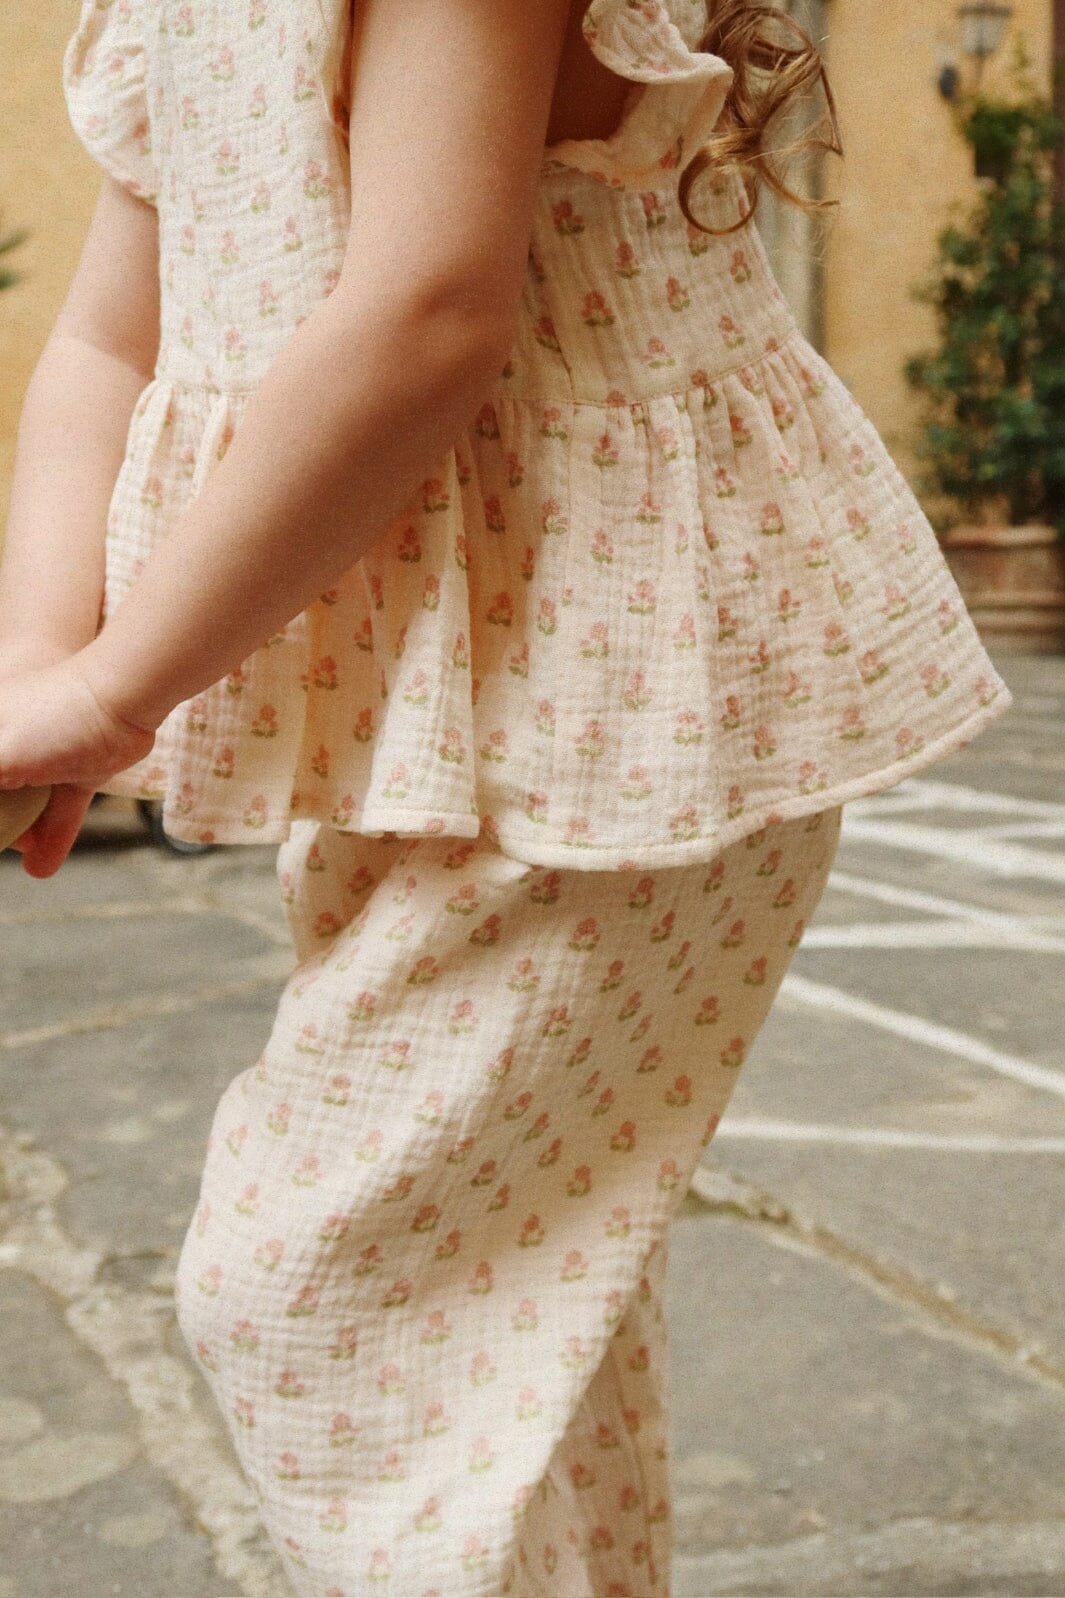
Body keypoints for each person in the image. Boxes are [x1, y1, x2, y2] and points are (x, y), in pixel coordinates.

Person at [0, 0, 1012, 1592]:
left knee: (315, 1293)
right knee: (508, 1303)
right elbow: (106, 344)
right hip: (412, 704)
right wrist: (39, 669)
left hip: (619, 689)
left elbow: (426, 312)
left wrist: (117, 691)